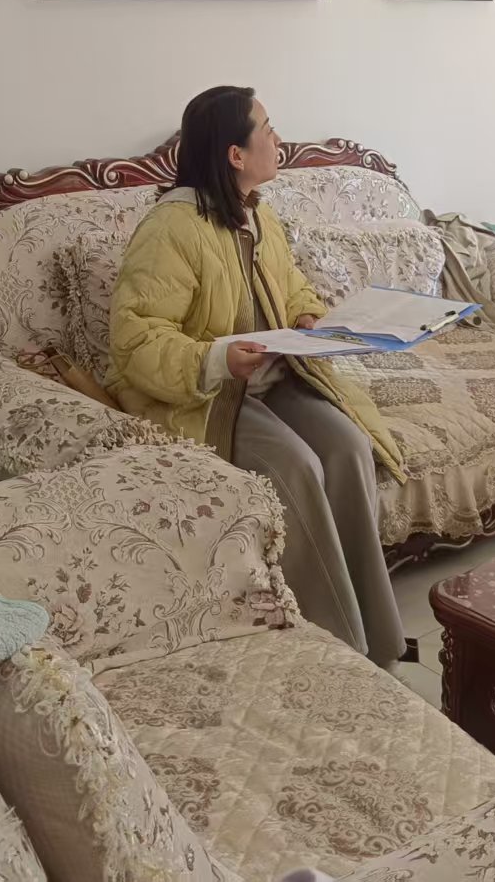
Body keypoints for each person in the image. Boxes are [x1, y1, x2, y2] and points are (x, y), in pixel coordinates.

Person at [106, 86, 408, 664]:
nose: (278, 139)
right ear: (235, 154)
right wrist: (216, 359)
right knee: (297, 464)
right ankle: (334, 648)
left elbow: (291, 286)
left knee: (348, 446)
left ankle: (379, 635)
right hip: (206, 394)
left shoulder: (258, 212)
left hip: (272, 376)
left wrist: (307, 315)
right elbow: (135, 340)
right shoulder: (171, 229)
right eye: (267, 129)